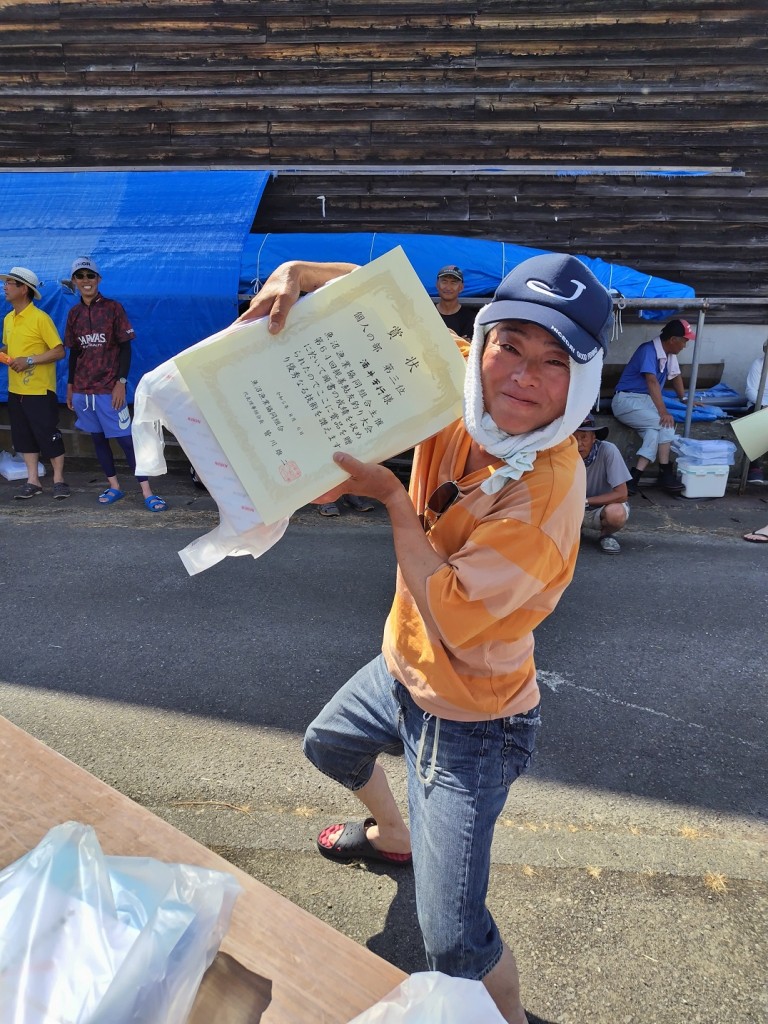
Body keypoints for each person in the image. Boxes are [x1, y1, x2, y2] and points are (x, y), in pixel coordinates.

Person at [239, 252, 613, 1024]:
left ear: (584, 382)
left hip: (473, 717)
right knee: (329, 747)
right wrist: (300, 272)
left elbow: (449, 612)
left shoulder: (548, 490)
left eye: (556, 362)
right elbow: (387, 309)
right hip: (402, 665)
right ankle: (396, 833)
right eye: (510, 344)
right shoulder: (464, 380)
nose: (523, 376)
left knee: (452, 943)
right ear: (482, 342)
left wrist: (387, 496)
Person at [63, 257, 168, 511]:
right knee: (98, 439)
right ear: (75, 282)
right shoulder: (74, 314)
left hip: (109, 390)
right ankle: (114, 486)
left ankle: (147, 491)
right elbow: (75, 352)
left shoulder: (113, 308)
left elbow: (125, 348)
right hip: (83, 391)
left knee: (125, 441)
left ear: (98, 279)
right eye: (80, 276)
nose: (86, 281)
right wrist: (70, 385)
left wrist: (121, 382)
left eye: (90, 276)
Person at [1, 265, 69, 499]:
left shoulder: (41, 319)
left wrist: (29, 360)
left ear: (24, 289)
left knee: (47, 433)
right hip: (15, 389)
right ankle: (33, 481)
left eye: (10, 283)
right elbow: (9, 348)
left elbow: (59, 351)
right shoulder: (9, 319)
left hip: (39, 390)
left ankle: (59, 479)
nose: (5, 286)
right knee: (23, 436)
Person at [611, 318, 695, 495]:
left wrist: (684, 399)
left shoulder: (669, 354)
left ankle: (635, 477)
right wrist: (663, 412)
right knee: (666, 424)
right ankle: (665, 471)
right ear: (672, 339)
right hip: (627, 400)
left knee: (653, 433)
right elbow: (651, 381)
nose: (684, 346)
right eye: (684, 341)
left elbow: (676, 376)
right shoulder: (648, 350)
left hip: (645, 401)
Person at [574, 415, 631, 554]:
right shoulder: (561, 454)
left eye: (584, 437)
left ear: (594, 438)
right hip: (571, 507)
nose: (579, 443)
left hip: (600, 507)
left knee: (616, 513)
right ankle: (575, 531)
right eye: (573, 438)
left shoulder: (608, 450)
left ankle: (606, 534)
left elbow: (622, 494)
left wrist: (585, 501)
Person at [743, 340, 768, 484]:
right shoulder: (758, 364)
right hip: (758, 403)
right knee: (759, 420)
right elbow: (750, 390)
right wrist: (764, 405)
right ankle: (754, 466)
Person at [434, 264, 476, 340]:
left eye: (453, 282)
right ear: (437, 285)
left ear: (461, 287)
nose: (448, 287)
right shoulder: (427, 312)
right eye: (444, 281)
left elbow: (465, 348)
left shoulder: (470, 318)